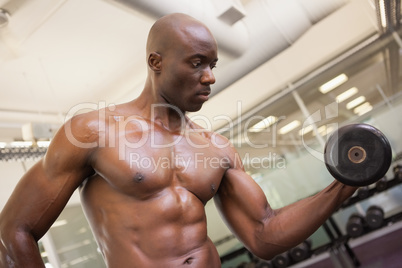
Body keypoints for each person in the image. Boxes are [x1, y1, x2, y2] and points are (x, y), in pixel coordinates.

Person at [0, 13, 357, 268]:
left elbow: (263, 234)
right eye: (197, 63)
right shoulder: (95, 132)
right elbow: (14, 231)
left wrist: (344, 185)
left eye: (213, 65)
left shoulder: (216, 148)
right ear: (156, 62)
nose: (210, 77)